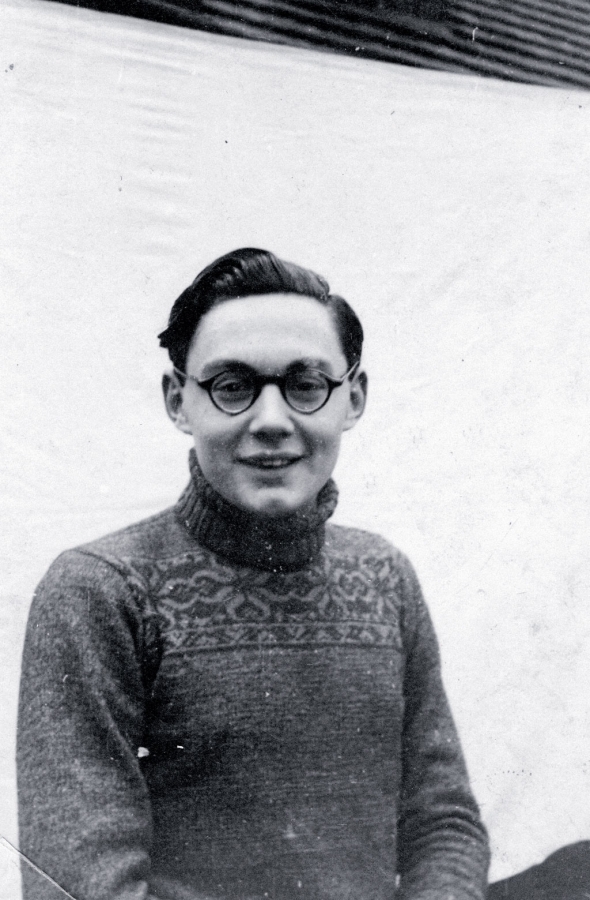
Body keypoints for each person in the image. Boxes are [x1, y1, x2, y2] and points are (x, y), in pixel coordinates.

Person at [17, 248, 489, 900]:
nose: (271, 421)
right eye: (232, 386)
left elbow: (443, 823)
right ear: (178, 401)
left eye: (307, 384)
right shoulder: (102, 591)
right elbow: (80, 887)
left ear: (353, 399)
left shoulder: (385, 577)